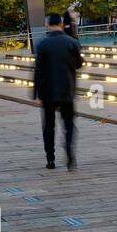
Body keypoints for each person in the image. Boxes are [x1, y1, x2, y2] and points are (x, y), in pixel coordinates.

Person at [32, 13, 84, 172]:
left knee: (49, 126)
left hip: (47, 92)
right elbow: (79, 64)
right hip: (67, 90)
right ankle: (69, 147)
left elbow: (38, 71)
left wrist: (37, 95)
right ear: (61, 24)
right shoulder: (72, 42)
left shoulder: (42, 44)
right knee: (68, 124)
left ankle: (50, 159)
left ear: (48, 25)